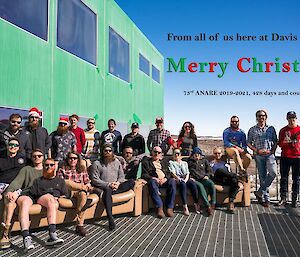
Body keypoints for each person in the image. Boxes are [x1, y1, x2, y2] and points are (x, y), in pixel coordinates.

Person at [20, 158, 68, 251]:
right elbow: (34, 194)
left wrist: (59, 198)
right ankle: (26, 237)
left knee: (51, 200)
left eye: (51, 165)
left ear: (55, 166)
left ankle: (52, 234)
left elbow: (65, 195)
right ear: (43, 167)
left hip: (52, 200)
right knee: (48, 199)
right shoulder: (38, 180)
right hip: (41, 198)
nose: (49, 167)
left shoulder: (60, 181)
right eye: (46, 165)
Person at [0, 149, 44, 249]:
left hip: (40, 196)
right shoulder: (26, 169)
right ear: (31, 158)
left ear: (43, 157)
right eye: (34, 156)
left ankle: (52, 233)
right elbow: (16, 182)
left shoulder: (47, 169)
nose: (37, 158)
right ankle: (5, 233)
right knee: (10, 200)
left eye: (39, 156)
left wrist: (18, 192)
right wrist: (10, 192)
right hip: (26, 196)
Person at [89, 144, 135, 230]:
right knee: (107, 190)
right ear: (102, 152)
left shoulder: (117, 162)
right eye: (105, 151)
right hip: (104, 186)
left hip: (116, 186)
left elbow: (121, 176)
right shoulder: (97, 163)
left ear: (112, 152)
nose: (108, 152)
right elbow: (95, 180)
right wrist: (109, 185)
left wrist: (117, 183)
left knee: (132, 182)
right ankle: (110, 218)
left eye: (109, 151)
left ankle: (109, 193)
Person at [247, 109, 277, 207]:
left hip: (269, 155)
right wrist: (256, 150)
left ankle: (259, 192)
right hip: (259, 156)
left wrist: (272, 151)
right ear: (257, 117)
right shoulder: (252, 129)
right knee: (262, 176)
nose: (261, 117)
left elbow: (275, 141)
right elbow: (248, 142)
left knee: (273, 173)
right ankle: (266, 199)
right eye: (259, 115)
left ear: (266, 117)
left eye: (263, 115)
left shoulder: (271, 128)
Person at [141, 146, 176, 218]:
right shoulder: (146, 162)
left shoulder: (164, 162)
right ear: (152, 153)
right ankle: (159, 207)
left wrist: (166, 178)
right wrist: (153, 178)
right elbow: (144, 174)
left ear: (161, 154)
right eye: (155, 152)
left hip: (164, 180)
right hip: (155, 180)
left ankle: (169, 208)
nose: (157, 154)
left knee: (172, 181)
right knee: (152, 182)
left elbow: (169, 173)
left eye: (159, 152)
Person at [278, 111, 300, 208]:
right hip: (285, 157)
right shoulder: (283, 130)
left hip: (298, 158)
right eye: (290, 117)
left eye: (293, 117)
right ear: (287, 119)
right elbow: (280, 144)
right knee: (283, 178)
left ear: (296, 118)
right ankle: (283, 198)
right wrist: (286, 141)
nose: (292, 119)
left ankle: (294, 199)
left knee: (296, 179)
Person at [169, 148, 199, 215]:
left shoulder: (184, 163)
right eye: (175, 153)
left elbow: (187, 173)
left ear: (180, 155)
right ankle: (185, 206)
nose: (176, 155)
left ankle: (196, 203)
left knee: (192, 183)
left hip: (185, 178)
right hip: (177, 179)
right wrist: (179, 179)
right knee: (182, 184)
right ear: (173, 155)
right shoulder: (171, 163)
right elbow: (173, 173)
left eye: (178, 153)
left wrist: (185, 179)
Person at [210, 147, 241, 213]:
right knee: (219, 170)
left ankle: (231, 202)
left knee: (235, 181)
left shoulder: (225, 164)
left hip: (225, 180)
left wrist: (233, 177)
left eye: (219, 153)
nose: (217, 155)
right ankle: (238, 176)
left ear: (221, 154)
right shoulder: (211, 164)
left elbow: (229, 173)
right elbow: (210, 174)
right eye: (215, 153)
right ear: (213, 154)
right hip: (216, 179)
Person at [187, 147, 216, 216]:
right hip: (195, 179)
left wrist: (207, 176)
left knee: (211, 184)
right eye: (195, 155)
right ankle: (207, 205)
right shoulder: (189, 162)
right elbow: (186, 171)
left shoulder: (204, 161)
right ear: (193, 155)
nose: (197, 156)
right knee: (200, 186)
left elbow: (210, 171)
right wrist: (190, 177)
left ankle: (213, 203)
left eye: (198, 155)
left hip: (204, 178)